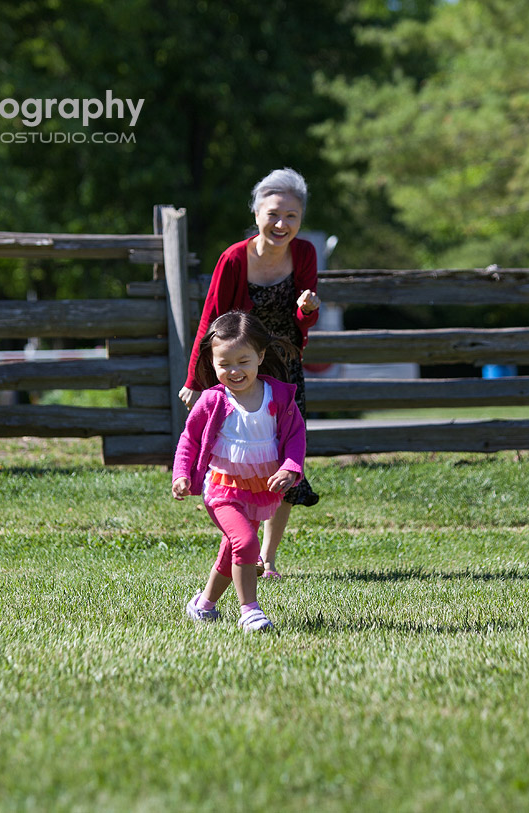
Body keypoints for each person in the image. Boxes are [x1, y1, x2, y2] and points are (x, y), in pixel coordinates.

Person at [177, 167, 321, 579]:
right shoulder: (234, 257)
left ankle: (268, 557)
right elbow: (212, 322)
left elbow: (302, 320)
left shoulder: (305, 254)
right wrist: (194, 379)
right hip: (242, 364)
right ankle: (241, 537)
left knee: (287, 454)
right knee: (244, 454)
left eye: (291, 216)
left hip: (286, 369)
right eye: (273, 213)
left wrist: (307, 310)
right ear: (256, 212)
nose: (281, 224)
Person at [172, 311, 307, 632]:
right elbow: (188, 439)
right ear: (213, 362)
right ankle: (250, 611)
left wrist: (291, 468)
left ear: (260, 356)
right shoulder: (211, 401)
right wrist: (181, 473)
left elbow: (296, 437)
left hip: (260, 489)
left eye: (243, 361)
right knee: (245, 543)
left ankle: (203, 605)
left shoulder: (279, 397)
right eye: (224, 363)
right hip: (221, 488)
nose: (234, 370)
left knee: (232, 548)